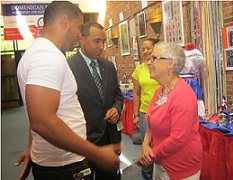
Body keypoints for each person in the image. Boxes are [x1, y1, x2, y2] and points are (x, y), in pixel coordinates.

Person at [15, 1, 119, 179]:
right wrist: (96, 152)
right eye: (79, 27)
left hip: (59, 160)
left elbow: (38, 110)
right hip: (64, 166)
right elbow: (42, 120)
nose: (79, 34)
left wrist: (32, 147)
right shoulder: (47, 56)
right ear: (65, 21)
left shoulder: (41, 53)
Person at [134, 42, 203, 179]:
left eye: (154, 58)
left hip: (180, 167)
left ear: (170, 63)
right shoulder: (160, 91)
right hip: (161, 163)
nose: (149, 63)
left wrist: (150, 155)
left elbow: (177, 139)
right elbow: (151, 122)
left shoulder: (183, 94)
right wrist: (145, 144)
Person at [67, 21, 123, 179]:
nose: (101, 46)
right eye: (96, 41)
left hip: (110, 137)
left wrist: (116, 109)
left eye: (103, 41)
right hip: (84, 140)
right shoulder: (68, 67)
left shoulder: (108, 66)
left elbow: (117, 95)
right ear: (82, 39)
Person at [132, 38, 160, 180]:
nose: (146, 51)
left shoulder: (161, 66)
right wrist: (135, 115)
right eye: (143, 49)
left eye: (148, 48)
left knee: (160, 146)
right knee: (146, 147)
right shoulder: (139, 70)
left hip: (161, 113)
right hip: (145, 114)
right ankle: (147, 176)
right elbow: (136, 94)